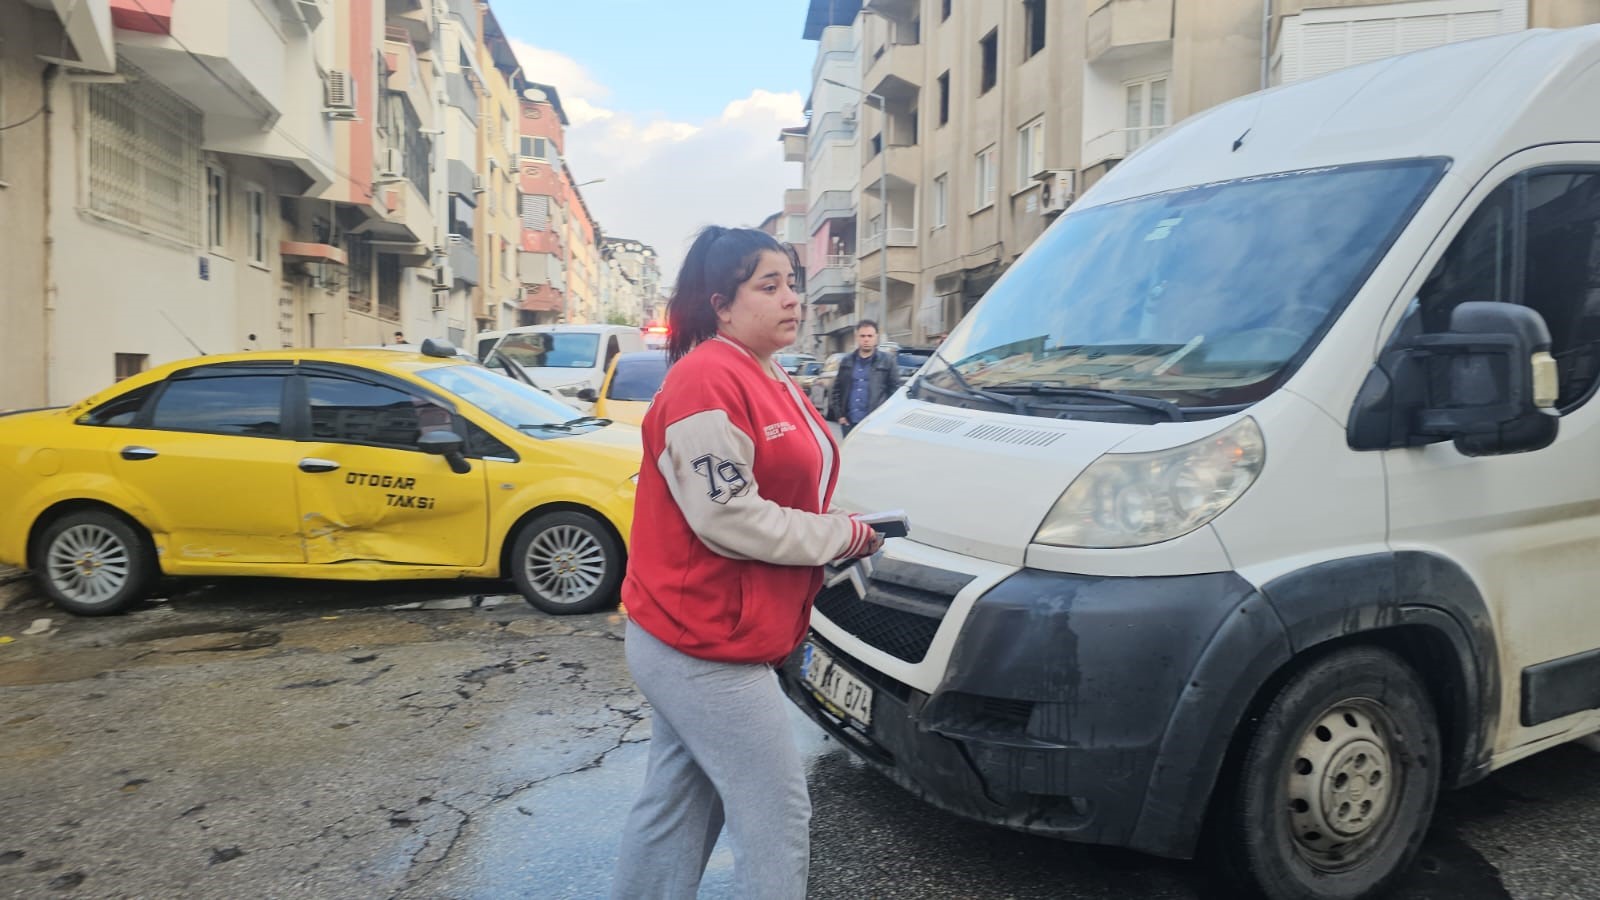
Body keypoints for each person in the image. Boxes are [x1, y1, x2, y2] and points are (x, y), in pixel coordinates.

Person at [611, 226, 882, 900]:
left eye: (793, 283)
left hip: (711, 631)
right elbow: (730, 518)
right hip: (702, 643)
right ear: (720, 305)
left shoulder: (766, 371)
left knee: (674, 811)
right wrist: (840, 537)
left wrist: (841, 526)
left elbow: (793, 480)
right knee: (775, 815)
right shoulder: (706, 381)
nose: (792, 298)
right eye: (770, 286)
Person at [829, 319, 900, 435]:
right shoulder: (846, 361)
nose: (866, 339)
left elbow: (895, 392)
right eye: (862, 336)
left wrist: (886, 418)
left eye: (870, 336)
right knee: (850, 453)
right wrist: (840, 416)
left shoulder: (887, 361)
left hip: (875, 423)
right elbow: (837, 390)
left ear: (876, 337)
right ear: (857, 337)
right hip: (849, 423)